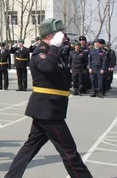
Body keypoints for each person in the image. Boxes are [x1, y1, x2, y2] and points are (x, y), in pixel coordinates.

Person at [5, 18, 92, 178]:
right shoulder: (41, 52)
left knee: (30, 147)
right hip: (48, 110)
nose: (64, 37)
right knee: (69, 151)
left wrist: (56, 48)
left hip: (49, 108)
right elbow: (48, 67)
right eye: (61, 34)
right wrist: (54, 46)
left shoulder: (54, 52)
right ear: (51, 35)